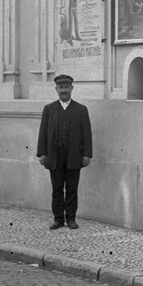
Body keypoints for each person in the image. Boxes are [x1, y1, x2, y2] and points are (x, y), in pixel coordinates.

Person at [37, 74, 92, 230]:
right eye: (61, 87)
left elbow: (86, 134)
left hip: (74, 156)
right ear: (56, 89)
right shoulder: (49, 110)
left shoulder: (81, 110)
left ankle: (71, 219)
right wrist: (42, 153)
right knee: (57, 190)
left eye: (66, 87)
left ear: (72, 88)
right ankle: (58, 219)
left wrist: (87, 154)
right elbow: (43, 132)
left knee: (72, 190)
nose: (64, 90)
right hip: (55, 157)